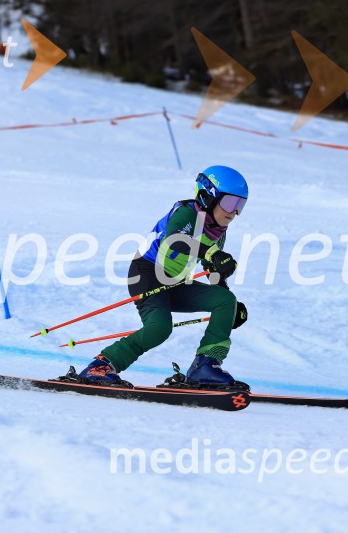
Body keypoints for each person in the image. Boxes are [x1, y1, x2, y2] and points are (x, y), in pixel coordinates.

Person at [78, 165, 251, 390]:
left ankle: (206, 366)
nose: (234, 212)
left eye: (240, 205)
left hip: (175, 282)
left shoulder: (218, 231)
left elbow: (212, 269)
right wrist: (211, 253)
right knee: (159, 328)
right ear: (208, 195)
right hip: (146, 273)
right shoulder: (187, 213)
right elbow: (175, 241)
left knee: (225, 301)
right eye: (230, 202)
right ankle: (101, 365)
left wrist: (228, 306)